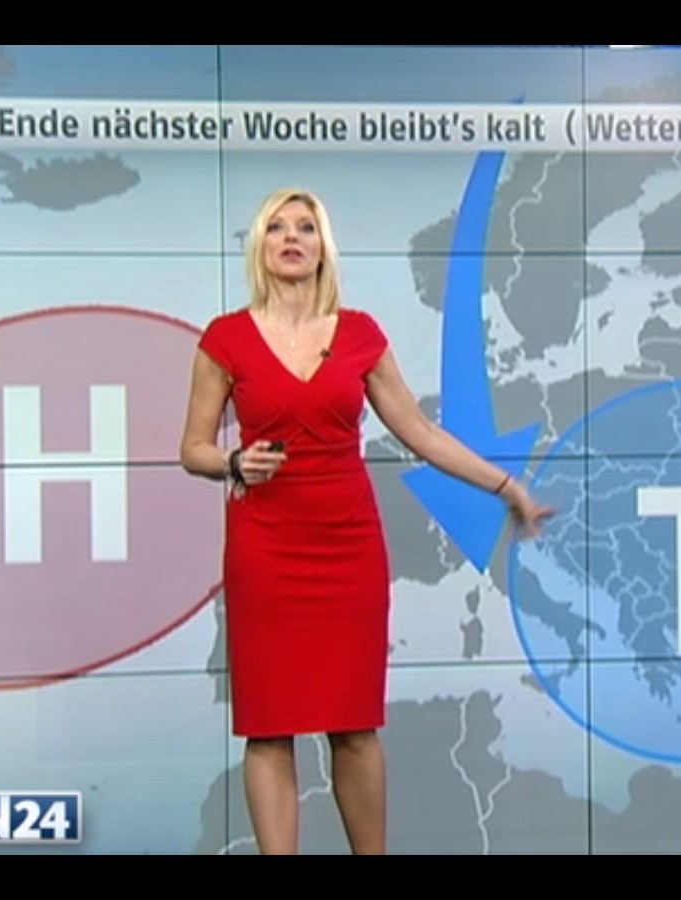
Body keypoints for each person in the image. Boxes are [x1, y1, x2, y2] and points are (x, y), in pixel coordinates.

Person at [178, 186, 553, 855]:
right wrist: (232, 462)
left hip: (346, 545)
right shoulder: (225, 339)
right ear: (260, 247)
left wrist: (506, 486)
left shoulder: (360, 335)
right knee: (269, 726)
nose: (292, 239)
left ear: (323, 249)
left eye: (306, 228)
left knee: (352, 724)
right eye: (277, 228)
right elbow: (193, 449)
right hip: (266, 546)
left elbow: (421, 433)